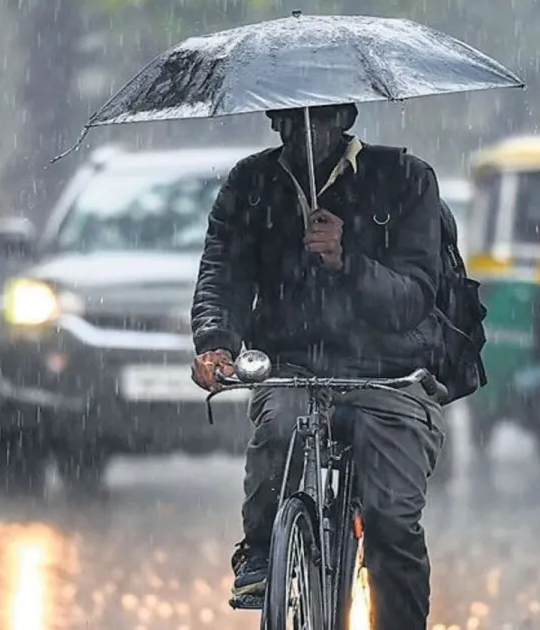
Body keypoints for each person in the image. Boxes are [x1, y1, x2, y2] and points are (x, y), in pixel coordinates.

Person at [189, 103, 445, 630]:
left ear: (346, 117)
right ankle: (261, 552)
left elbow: (416, 297)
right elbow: (224, 270)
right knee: (279, 425)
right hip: (292, 364)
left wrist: (346, 260)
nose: (302, 132)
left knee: (392, 522)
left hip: (387, 371)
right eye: (289, 119)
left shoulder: (405, 179)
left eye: (319, 118)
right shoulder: (252, 183)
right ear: (273, 122)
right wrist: (216, 341)